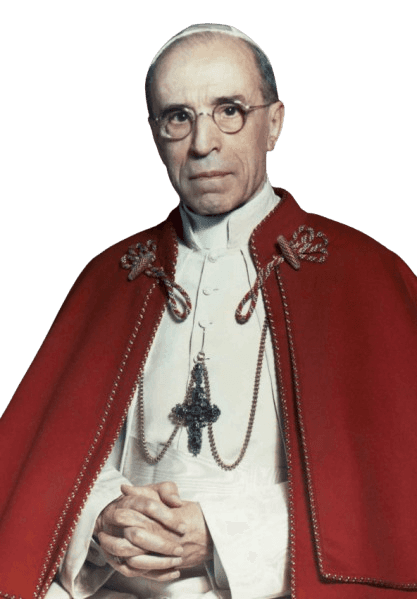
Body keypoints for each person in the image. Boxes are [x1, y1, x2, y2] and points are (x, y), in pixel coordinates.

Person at [1, 22, 417, 599]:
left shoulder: (364, 274)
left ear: (273, 123)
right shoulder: (110, 277)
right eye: (178, 117)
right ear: (154, 134)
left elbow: (392, 489)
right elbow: (43, 469)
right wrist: (100, 518)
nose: (203, 144)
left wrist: (220, 534)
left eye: (229, 110)